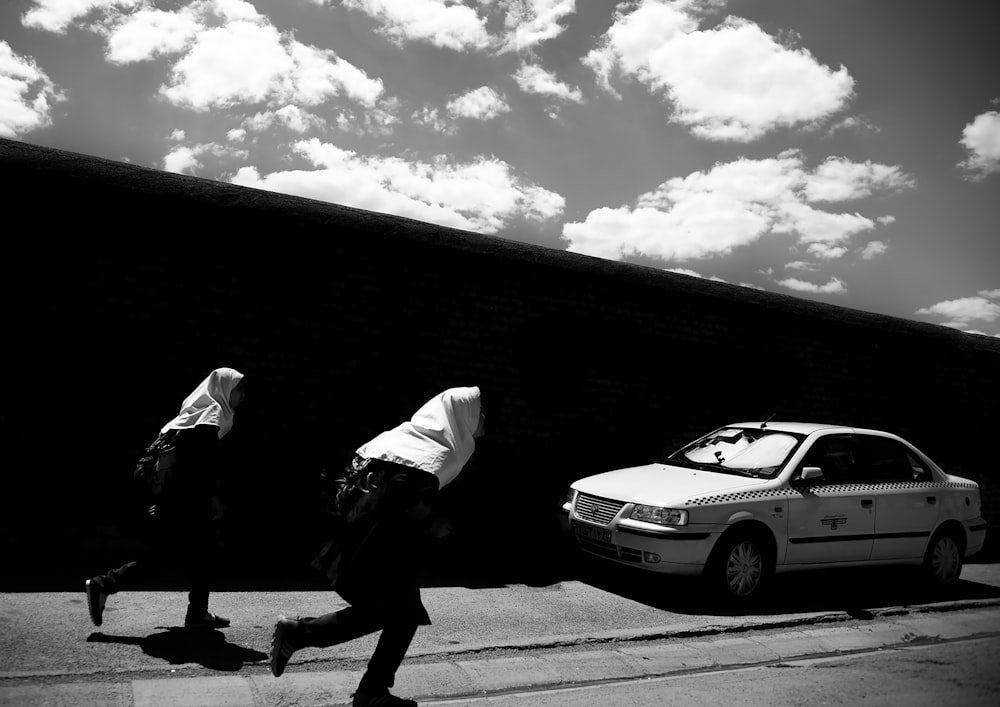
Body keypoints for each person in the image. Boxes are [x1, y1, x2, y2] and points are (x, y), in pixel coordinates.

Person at [269, 386, 485, 707]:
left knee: (395, 615)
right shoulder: (439, 448)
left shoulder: (408, 436)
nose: (483, 419)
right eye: (479, 412)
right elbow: (401, 489)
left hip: (366, 538)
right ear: (462, 414)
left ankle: (360, 680)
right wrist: (432, 522)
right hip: (383, 547)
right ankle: (351, 674)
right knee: (399, 615)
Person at [85, 367, 246, 629]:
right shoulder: (213, 412)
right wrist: (213, 496)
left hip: (175, 497)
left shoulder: (189, 414)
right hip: (189, 499)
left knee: (182, 553)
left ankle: (107, 585)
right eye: (239, 389)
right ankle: (105, 585)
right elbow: (198, 461)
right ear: (225, 389)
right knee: (194, 552)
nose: (242, 396)